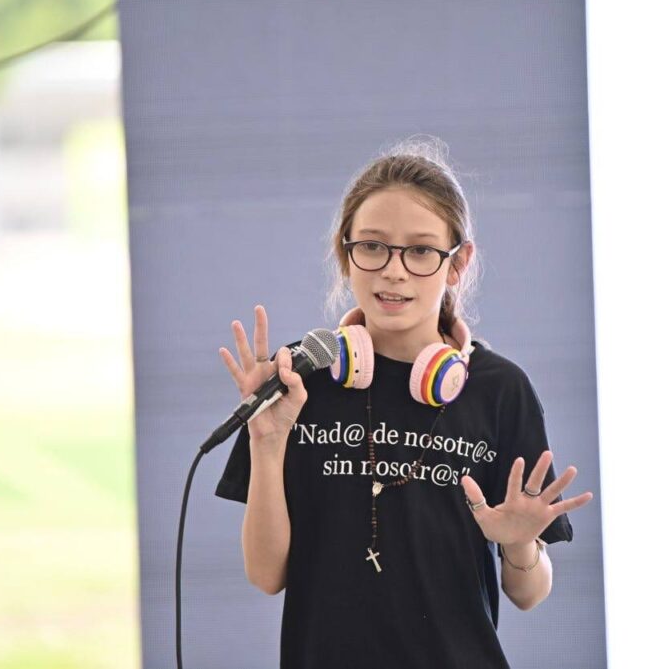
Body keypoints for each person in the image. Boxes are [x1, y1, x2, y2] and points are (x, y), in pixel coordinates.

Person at [215, 137, 593, 669]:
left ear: (457, 263)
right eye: (372, 246)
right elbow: (265, 574)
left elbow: (529, 594)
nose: (393, 271)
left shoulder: (499, 389)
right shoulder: (299, 378)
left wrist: (518, 544)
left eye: (420, 251)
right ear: (345, 255)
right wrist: (267, 439)